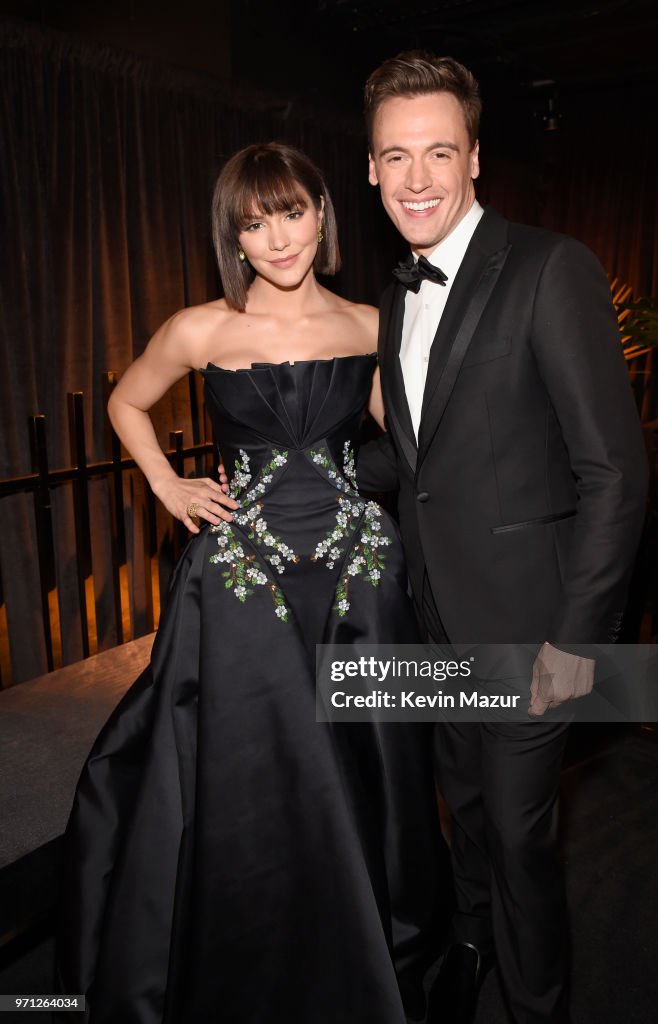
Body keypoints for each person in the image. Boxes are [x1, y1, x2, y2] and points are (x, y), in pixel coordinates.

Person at [56, 142, 446, 1024]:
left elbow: (419, 445)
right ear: (233, 235)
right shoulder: (200, 328)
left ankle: (370, 953)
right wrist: (165, 482)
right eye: (253, 221)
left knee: (368, 770)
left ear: (323, 212)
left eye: (292, 212)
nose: (277, 238)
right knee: (254, 779)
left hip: (357, 580)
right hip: (241, 588)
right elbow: (126, 401)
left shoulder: (368, 322)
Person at [357, 52, 650, 1024]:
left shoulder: (548, 266)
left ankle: (536, 1005)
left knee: (523, 840)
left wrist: (575, 646)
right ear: (368, 168)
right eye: (394, 156)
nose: (416, 178)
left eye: (437, 151)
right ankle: (470, 950)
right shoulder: (396, 290)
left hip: (533, 630)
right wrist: (302, 485)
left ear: (474, 157)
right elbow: (419, 459)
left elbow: (613, 472)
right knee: (468, 818)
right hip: (437, 617)